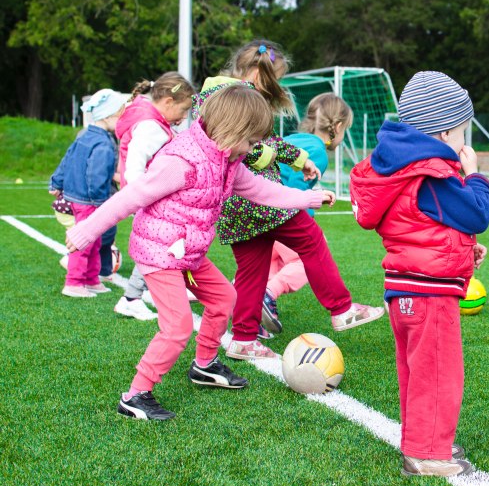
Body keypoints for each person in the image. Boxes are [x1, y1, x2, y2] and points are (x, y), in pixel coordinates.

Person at [65, 85, 336, 420]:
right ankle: (135, 395)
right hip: (159, 254)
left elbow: (260, 190)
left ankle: (204, 365)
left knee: (225, 299)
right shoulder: (181, 161)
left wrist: (308, 198)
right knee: (177, 326)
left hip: (188, 253)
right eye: (252, 142)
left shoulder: (228, 160)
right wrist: (86, 231)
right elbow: (131, 197)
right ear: (233, 131)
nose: (254, 150)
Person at [193, 40, 384, 360]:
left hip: (235, 206)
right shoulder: (233, 97)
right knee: (311, 239)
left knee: (253, 269)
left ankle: (242, 338)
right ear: (256, 73)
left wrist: (299, 160)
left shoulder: (219, 92)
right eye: (273, 80)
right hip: (258, 199)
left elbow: (267, 140)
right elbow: (244, 145)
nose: (274, 88)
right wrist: (270, 157)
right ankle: (341, 308)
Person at [350, 71, 489, 477]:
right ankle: (427, 454)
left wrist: (464, 250)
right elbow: (476, 213)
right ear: (445, 130)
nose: (464, 142)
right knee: (438, 373)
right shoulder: (432, 173)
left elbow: (422, 225)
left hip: (406, 289)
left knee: (417, 372)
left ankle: (423, 439)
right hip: (429, 295)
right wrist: (475, 175)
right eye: (463, 131)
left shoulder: (402, 169)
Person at [262, 93, 354, 334]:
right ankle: (268, 295)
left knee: (268, 264)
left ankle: (246, 303)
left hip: (258, 213)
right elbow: (293, 189)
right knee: (308, 257)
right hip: (279, 214)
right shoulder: (319, 152)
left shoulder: (294, 139)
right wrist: (312, 203)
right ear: (338, 126)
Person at [113, 72, 195, 321]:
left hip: (151, 197)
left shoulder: (153, 121)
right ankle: (131, 298)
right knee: (158, 247)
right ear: (168, 102)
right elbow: (135, 166)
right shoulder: (151, 127)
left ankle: (149, 292)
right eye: (183, 110)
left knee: (168, 243)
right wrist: (144, 196)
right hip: (149, 199)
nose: (183, 119)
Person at [49, 88, 125, 298]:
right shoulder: (103, 143)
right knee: (85, 241)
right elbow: (96, 174)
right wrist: (101, 202)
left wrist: (56, 181)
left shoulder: (85, 135)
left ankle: (91, 279)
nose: (122, 120)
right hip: (90, 200)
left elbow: (67, 158)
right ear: (109, 116)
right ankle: (73, 282)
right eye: (120, 115)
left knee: (95, 240)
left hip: (80, 196)